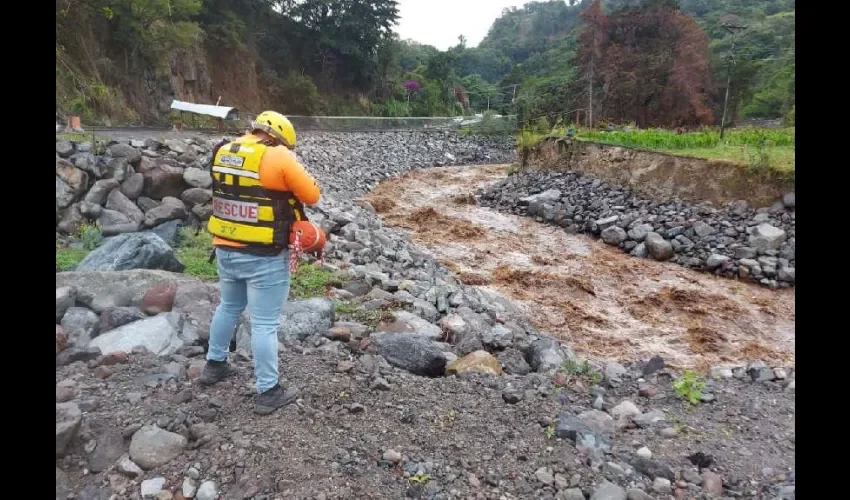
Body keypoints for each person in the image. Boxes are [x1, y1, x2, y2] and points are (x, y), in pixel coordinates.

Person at [199, 110, 321, 415]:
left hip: (225, 248)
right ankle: (268, 390)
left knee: (228, 307)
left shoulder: (223, 150)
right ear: (278, 137)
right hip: (264, 255)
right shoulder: (278, 156)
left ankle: (214, 365)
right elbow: (311, 195)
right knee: (265, 323)